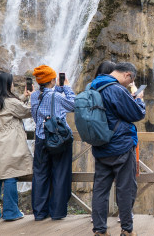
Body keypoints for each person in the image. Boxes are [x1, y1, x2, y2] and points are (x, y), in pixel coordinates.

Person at [89, 62, 146, 236]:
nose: (129, 85)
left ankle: (99, 230)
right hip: (120, 145)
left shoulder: (93, 86)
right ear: (128, 75)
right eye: (130, 81)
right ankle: (127, 230)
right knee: (125, 188)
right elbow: (136, 114)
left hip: (100, 145)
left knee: (100, 189)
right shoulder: (116, 89)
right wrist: (139, 99)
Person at [30, 64, 75, 221]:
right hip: (59, 140)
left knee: (40, 174)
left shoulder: (34, 96)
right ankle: (57, 212)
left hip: (41, 139)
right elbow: (74, 105)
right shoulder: (56, 96)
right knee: (60, 174)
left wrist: (58, 90)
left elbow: (36, 117)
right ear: (52, 80)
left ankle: (40, 213)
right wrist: (67, 88)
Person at [0, 72, 32, 222]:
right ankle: (10, 212)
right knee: (10, 175)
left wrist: (23, 96)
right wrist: (32, 97)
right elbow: (27, 111)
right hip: (9, 144)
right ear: (6, 85)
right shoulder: (10, 102)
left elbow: (8, 107)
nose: (13, 84)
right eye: (11, 82)